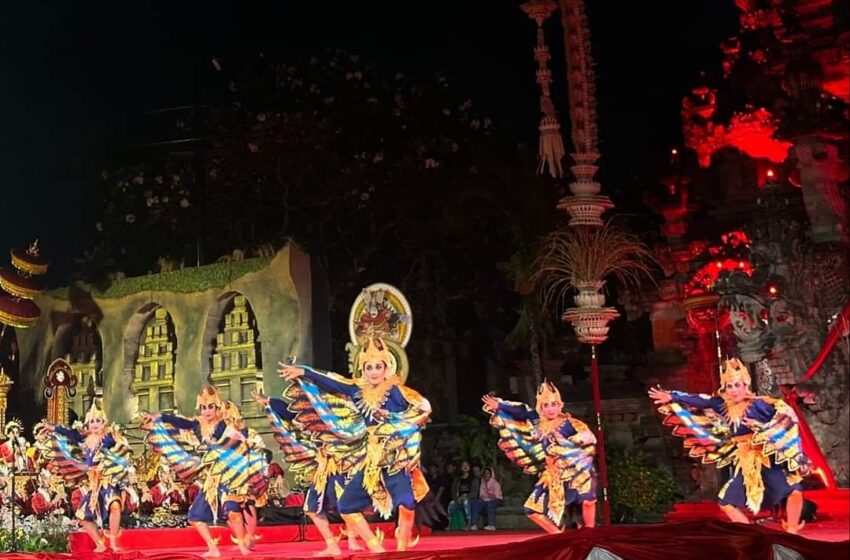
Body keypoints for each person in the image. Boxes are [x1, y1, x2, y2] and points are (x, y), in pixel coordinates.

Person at [279, 335, 431, 551]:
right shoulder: (358, 391)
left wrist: (391, 418)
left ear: (386, 368)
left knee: (406, 504)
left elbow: (424, 409)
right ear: (363, 370)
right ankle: (375, 548)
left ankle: (401, 550)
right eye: (369, 367)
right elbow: (333, 382)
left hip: (396, 458)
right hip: (371, 459)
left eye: (378, 366)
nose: (373, 371)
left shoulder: (399, 391)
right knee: (347, 505)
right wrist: (304, 372)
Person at [648, 358, 810, 534]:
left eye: (737, 385)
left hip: (765, 455)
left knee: (793, 489)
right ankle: (753, 535)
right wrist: (672, 396)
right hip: (744, 459)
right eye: (730, 386)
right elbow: (699, 400)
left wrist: (759, 425)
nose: (733, 390)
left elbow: (783, 419)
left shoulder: (760, 404)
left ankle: (792, 531)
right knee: (725, 502)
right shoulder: (721, 404)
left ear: (746, 385)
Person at [142, 385, 267, 557]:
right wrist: (160, 416)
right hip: (213, 477)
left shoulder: (225, 425)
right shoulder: (198, 425)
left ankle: (244, 545)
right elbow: (182, 422)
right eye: (203, 407)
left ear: (217, 408)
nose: (206, 411)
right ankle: (213, 548)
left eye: (210, 407)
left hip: (233, 475)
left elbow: (238, 444)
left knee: (234, 512)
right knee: (195, 517)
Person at [254, 387, 363, 556]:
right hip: (323, 468)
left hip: (342, 465)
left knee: (347, 506)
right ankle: (332, 544)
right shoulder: (310, 415)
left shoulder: (339, 414)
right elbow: (291, 413)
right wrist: (269, 401)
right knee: (312, 508)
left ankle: (353, 540)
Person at [482, 380, 597, 534]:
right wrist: (500, 406)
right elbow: (521, 412)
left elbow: (588, 441)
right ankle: (559, 537)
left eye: (554, 404)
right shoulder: (536, 420)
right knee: (532, 510)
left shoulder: (571, 424)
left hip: (577, 472)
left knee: (587, 502)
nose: (550, 409)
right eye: (546, 405)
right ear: (540, 407)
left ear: (560, 405)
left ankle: (592, 536)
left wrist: (565, 444)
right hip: (553, 476)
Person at [42, 400, 133, 552]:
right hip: (93, 484)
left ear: (104, 423)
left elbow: (113, 444)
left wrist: (112, 438)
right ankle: (100, 543)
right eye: (92, 421)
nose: (95, 424)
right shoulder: (85, 438)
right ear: (88, 424)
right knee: (82, 515)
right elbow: (70, 433)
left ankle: (114, 543)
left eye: (98, 421)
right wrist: (53, 428)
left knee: (115, 506)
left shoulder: (107, 439)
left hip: (107, 481)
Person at [447, 460, 479, 530]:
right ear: (461, 468)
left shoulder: (474, 479)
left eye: (467, 465)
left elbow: (474, 493)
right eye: (463, 465)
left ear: (470, 467)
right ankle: (449, 525)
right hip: (459, 499)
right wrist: (456, 498)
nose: (465, 467)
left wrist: (465, 496)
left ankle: (468, 524)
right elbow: (453, 491)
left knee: (466, 502)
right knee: (451, 504)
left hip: (469, 499)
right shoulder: (457, 479)